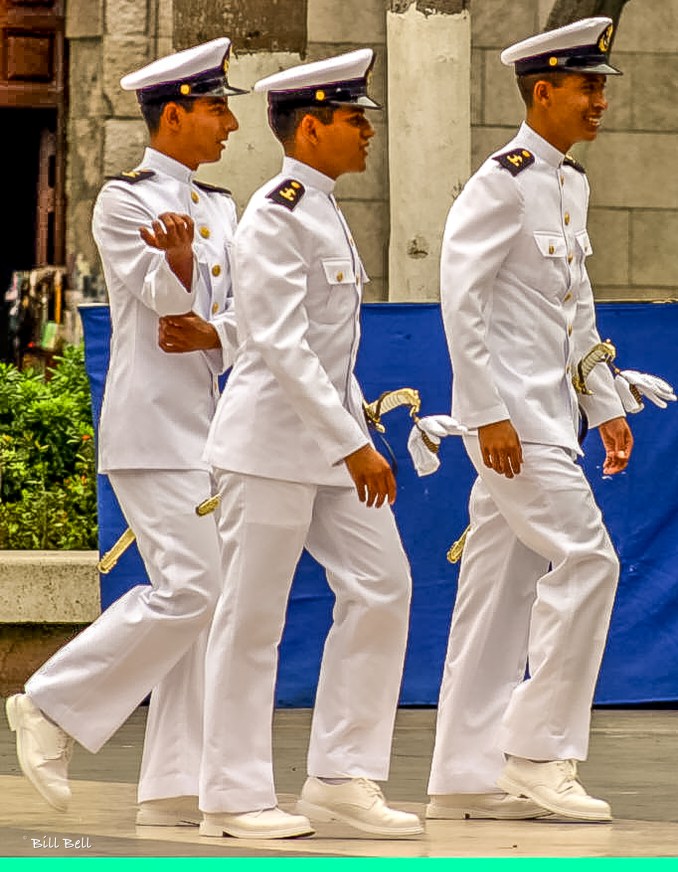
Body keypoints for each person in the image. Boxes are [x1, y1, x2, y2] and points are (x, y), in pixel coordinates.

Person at [6, 37, 244, 826]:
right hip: (151, 431)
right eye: (216, 109)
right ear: (173, 113)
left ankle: (176, 784)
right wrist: (179, 270)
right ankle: (48, 704)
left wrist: (215, 322)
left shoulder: (222, 208)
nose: (229, 127)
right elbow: (166, 311)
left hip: (208, 429)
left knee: (206, 604)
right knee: (193, 590)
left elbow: (239, 317)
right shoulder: (125, 200)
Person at [196, 49, 423, 840]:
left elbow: (331, 354)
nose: (367, 133)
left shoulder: (323, 209)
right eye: (356, 120)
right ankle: (230, 794)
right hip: (269, 448)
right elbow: (282, 348)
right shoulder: (277, 212)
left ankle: (341, 776)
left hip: (328, 445)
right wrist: (352, 443)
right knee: (251, 620)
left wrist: (354, 433)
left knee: (383, 586)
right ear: (314, 126)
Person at [426, 18, 634, 823]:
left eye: (603, 85)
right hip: (514, 424)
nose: (600, 100)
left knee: (496, 591)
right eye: (587, 86)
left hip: (554, 417)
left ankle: (462, 774)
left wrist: (606, 404)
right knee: (590, 561)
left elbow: (575, 312)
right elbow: (461, 301)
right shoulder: (499, 181)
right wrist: (485, 415)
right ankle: (538, 752)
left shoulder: (568, 185)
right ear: (542, 90)